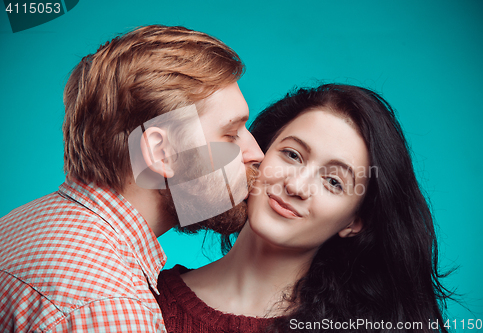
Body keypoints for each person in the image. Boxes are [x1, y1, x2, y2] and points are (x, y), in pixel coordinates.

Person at [0, 25, 263, 332]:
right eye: (231, 135)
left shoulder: (24, 222)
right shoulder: (110, 306)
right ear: (161, 153)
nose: (256, 152)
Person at [155, 84, 452, 332]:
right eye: (292, 154)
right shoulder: (138, 300)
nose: (296, 186)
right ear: (259, 153)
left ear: (355, 221)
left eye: (334, 182)